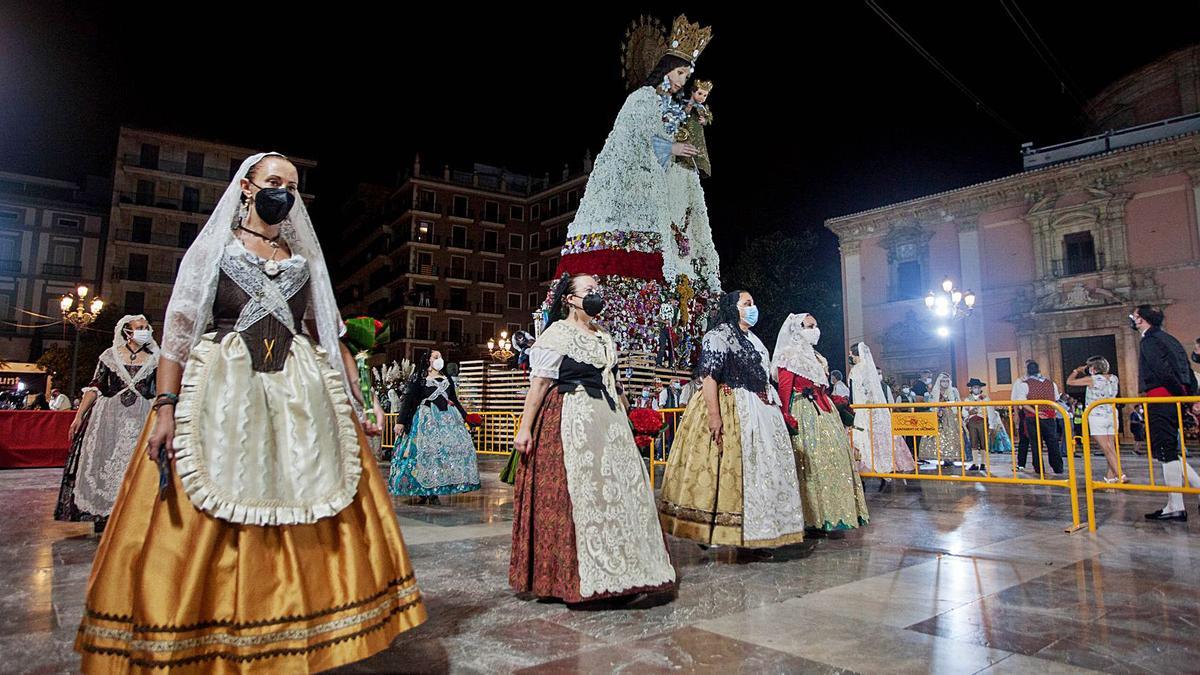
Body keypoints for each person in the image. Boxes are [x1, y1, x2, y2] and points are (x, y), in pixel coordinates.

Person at [75, 153, 426, 670]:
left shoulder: (303, 260)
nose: (283, 191)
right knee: (216, 492)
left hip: (299, 391)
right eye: (273, 182)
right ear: (246, 188)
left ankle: (302, 621)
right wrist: (167, 407)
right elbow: (176, 336)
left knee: (309, 487)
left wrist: (360, 393)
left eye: (292, 185)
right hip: (225, 387)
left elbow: (324, 332)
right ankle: (209, 628)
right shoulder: (214, 251)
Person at [555, 15, 720, 359]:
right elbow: (634, 138)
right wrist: (671, 148)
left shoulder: (672, 106)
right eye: (680, 74)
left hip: (666, 192)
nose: (682, 82)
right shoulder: (642, 99)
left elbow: (675, 133)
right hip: (630, 193)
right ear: (665, 69)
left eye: (687, 77)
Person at [509, 273, 675, 603]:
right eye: (588, 291)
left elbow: (615, 384)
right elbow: (539, 385)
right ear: (570, 299)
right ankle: (575, 577)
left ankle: (628, 571)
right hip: (571, 417)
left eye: (597, 290)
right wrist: (525, 428)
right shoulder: (556, 334)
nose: (595, 295)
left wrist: (633, 421)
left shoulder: (604, 337)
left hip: (609, 421)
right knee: (581, 493)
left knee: (620, 491)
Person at [659, 291, 806, 554]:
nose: (753, 308)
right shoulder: (718, 336)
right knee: (724, 468)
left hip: (760, 410)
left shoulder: (755, 340)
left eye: (753, 302)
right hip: (731, 405)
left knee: (760, 469)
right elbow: (709, 377)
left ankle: (759, 532)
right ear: (732, 308)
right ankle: (716, 530)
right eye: (747, 303)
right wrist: (715, 415)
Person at [53, 315, 158, 534]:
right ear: (127, 332)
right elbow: (95, 387)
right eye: (139, 328)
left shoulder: (156, 358)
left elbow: (160, 389)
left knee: (137, 464)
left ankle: (136, 512)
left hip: (142, 420)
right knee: (105, 463)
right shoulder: (109, 356)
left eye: (147, 327)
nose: (145, 331)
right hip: (109, 420)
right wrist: (78, 415)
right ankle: (104, 513)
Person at [772, 317, 869, 531]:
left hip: (825, 411)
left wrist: (836, 403)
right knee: (810, 463)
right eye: (810, 326)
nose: (815, 330)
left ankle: (834, 514)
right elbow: (785, 389)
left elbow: (822, 388)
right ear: (797, 330)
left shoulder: (818, 358)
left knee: (834, 460)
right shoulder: (788, 356)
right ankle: (810, 517)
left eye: (816, 325)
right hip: (804, 412)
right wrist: (785, 417)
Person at [1131, 305, 1200, 521]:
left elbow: (1163, 371)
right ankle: (1176, 502)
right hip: (1176, 398)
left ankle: (1176, 505)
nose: (1132, 319)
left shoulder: (1149, 341)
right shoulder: (1170, 339)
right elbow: (1187, 370)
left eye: (1134, 315)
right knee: (1169, 450)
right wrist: (1188, 397)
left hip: (1162, 398)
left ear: (1141, 320)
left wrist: (1178, 392)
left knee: (1165, 450)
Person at [389, 349, 481, 504]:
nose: (440, 359)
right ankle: (423, 491)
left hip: (447, 420)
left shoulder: (447, 379)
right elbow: (409, 400)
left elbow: (454, 400)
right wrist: (401, 421)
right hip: (426, 421)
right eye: (436, 357)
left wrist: (467, 418)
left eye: (441, 357)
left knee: (442, 456)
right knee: (424, 454)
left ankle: (435, 491)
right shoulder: (419, 378)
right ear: (428, 360)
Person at [847, 340, 915, 482]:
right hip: (874, 409)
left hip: (861, 409)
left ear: (855, 355)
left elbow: (854, 393)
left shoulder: (856, 370)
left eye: (850, 354)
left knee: (863, 436)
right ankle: (887, 463)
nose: (849, 356)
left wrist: (853, 407)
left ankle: (866, 465)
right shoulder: (870, 369)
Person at [1067, 356, 1124, 483]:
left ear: (1092, 368)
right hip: (1112, 414)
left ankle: (1120, 474)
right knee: (1111, 447)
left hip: (1097, 415)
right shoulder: (1114, 378)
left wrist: (1077, 371)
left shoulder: (1092, 379)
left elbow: (1070, 382)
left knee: (1105, 447)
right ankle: (1110, 476)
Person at [1011, 360, 1064, 475]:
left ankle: (1039, 468)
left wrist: (1036, 412)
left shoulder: (1024, 384)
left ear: (1028, 371)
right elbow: (1055, 398)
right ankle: (1058, 467)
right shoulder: (1051, 383)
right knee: (1052, 442)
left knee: (1036, 443)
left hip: (1032, 417)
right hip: (1049, 416)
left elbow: (1022, 402)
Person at [918, 372, 963, 465]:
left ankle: (950, 457)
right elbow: (930, 403)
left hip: (950, 416)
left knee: (951, 436)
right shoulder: (935, 391)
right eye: (943, 381)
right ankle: (940, 456)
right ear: (939, 382)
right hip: (937, 416)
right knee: (938, 437)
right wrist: (937, 410)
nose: (945, 383)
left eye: (947, 381)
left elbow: (959, 402)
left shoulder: (953, 390)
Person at [963, 378, 991, 471]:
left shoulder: (985, 398)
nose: (976, 389)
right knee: (973, 442)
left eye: (978, 387)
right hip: (972, 422)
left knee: (983, 442)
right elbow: (964, 411)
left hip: (982, 421)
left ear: (980, 388)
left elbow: (990, 411)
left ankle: (983, 463)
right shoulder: (967, 399)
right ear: (971, 388)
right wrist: (968, 413)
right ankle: (975, 463)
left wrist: (991, 424)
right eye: (974, 387)